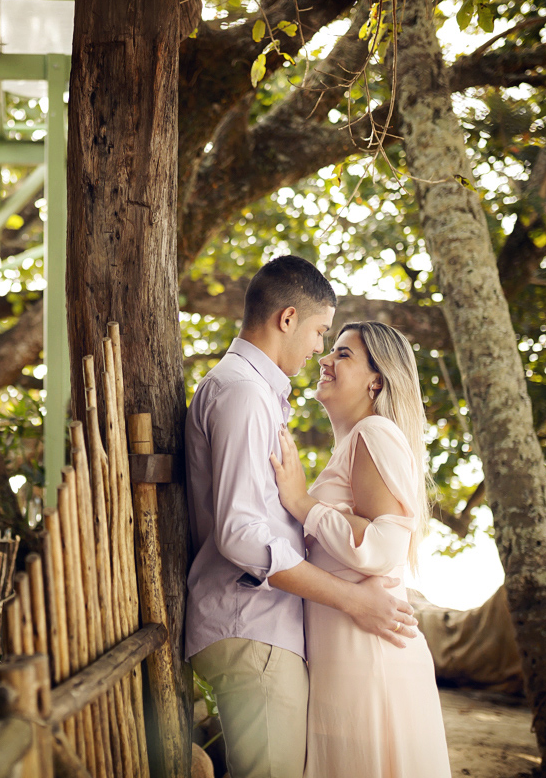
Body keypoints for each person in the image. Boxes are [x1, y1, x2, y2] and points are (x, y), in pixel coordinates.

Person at [185, 256, 417, 778]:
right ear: (287, 319)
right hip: (254, 626)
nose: (319, 350)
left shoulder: (252, 393)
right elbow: (240, 534)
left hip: (260, 628)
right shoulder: (244, 394)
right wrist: (355, 599)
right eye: (320, 333)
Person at [270, 320, 450, 778]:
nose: (325, 360)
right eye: (331, 350)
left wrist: (302, 503)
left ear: (377, 380)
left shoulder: (374, 433)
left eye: (343, 354)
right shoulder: (353, 444)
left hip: (372, 665)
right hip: (348, 665)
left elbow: (384, 546)